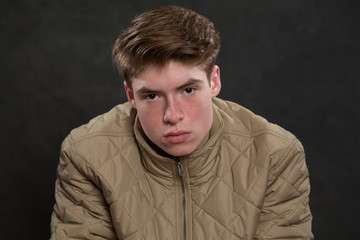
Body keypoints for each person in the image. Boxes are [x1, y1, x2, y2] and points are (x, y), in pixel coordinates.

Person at [50, 5, 313, 240]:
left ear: (214, 82)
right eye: (152, 96)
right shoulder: (87, 154)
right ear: (131, 95)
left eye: (187, 90)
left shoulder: (275, 154)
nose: (172, 115)